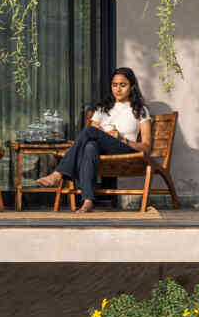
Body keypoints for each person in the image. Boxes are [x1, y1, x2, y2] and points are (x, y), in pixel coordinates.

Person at [36, 67, 151, 213]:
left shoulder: (140, 110)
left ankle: (58, 174)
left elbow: (146, 147)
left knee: (90, 131)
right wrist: (104, 134)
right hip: (102, 150)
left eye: (123, 85)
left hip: (125, 148)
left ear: (132, 87)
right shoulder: (103, 108)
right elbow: (94, 133)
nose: (118, 89)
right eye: (114, 85)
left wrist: (122, 139)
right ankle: (88, 201)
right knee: (90, 146)